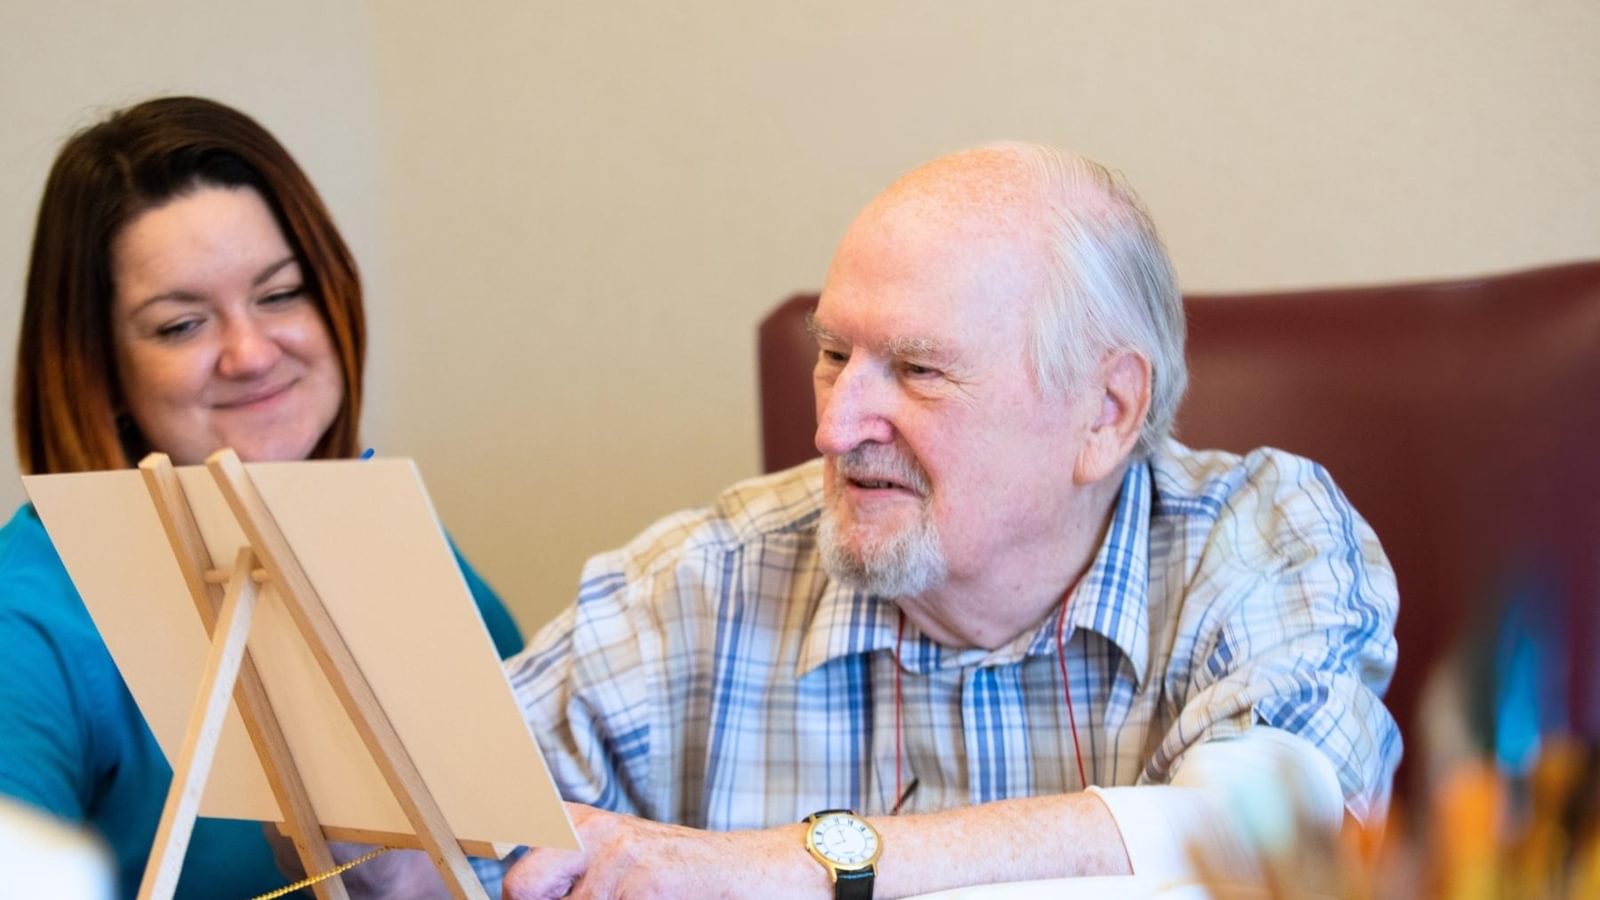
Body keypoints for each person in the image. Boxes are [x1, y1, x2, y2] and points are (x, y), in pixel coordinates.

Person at [501, 143, 1400, 898]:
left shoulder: (1261, 542)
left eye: (919, 371)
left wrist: (785, 867)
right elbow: (425, 823)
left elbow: (1256, 844)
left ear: (1107, 412)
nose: (832, 428)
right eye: (833, 354)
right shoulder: (706, 580)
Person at [0, 96, 524, 900]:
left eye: (280, 294)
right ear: (99, 370)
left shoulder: (382, 536)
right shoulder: (27, 615)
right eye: (181, 325)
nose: (250, 353)